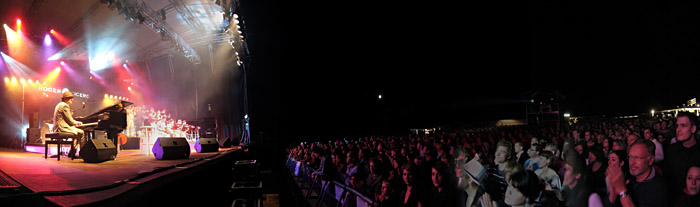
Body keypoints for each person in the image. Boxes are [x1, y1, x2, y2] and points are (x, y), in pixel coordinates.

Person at [606, 139, 668, 207]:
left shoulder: (658, 187)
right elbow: (610, 204)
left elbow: (622, 192)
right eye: (630, 157)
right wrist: (613, 191)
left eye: (637, 158)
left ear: (650, 160)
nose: (632, 162)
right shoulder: (627, 175)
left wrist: (622, 190)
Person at [665, 112, 700, 195]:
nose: (678, 130)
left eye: (683, 126)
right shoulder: (671, 150)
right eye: (677, 126)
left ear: (693, 129)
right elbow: (668, 179)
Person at [52, 91, 84, 159]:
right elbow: (70, 121)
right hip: (61, 128)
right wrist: (78, 122)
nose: (72, 99)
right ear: (65, 99)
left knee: (76, 133)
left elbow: (65, 119)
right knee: (82, 132)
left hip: (58, 127)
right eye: (70, 98)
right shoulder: (64, 105)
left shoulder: (59, 104)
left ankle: (72, 152)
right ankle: (83, 154)